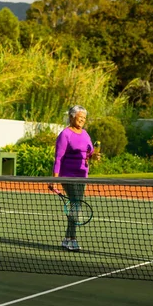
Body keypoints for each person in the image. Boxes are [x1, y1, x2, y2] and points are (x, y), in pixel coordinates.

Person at [50, 105, 100, 251]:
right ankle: (72, 239)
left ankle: (66, 239)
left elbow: (88, 153)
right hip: (68, 175)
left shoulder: (85, 134)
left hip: (82, 175)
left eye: (84, 118)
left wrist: (93, 156)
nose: (82, 120)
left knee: (75, 205)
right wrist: (54, 180)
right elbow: (58, 158)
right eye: (80, 117)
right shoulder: (65, 134)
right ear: (72, 117)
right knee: (76, 205)